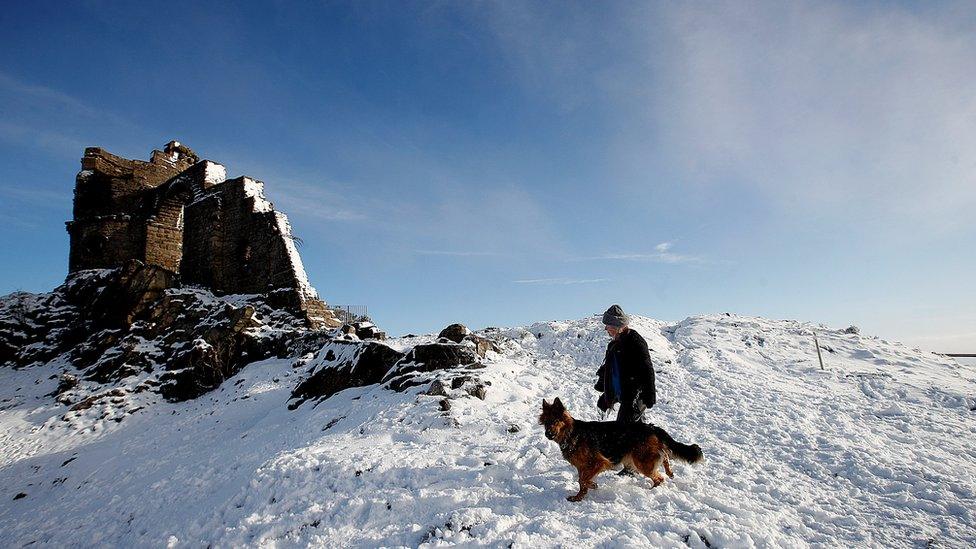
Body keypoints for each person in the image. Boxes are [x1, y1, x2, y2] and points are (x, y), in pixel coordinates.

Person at [594, 304, 656, 424]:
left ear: (618, 326)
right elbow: (608, 367)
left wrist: (650, 395)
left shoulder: (635, 342)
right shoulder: (613, 344)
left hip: (636, 394)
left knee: (623, 430)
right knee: (635, 430)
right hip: (623, 392)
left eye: (608, 326)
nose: (606, 329)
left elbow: (647, 369)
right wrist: (604, 387)